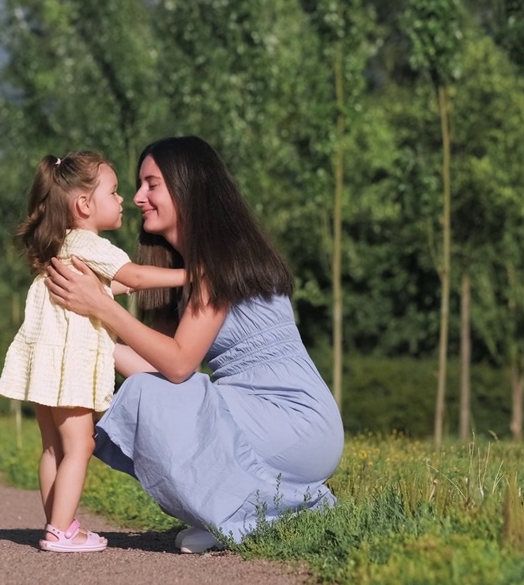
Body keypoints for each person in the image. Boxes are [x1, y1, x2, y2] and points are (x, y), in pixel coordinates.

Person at [45, 136, 345, 554]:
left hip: (297, 423)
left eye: (151, 185)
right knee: (119, 400)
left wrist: (104, 307)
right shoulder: (185, 272)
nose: (136, 198)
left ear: (187, 188)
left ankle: (244, 517)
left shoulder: (225, 257)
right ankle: (240, 517)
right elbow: (166, 376)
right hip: (251, 411)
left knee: (143, 397)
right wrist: (78, 333)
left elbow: (180, 365)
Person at [0, 151, 187, 553]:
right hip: (70, 365)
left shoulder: (64, 246)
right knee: (80, 445)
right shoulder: (91, 243)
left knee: (52, 447)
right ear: (84, 205)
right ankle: (62, 531)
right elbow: (131, 273)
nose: (122, 200)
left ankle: (56, 523)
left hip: (45, 364)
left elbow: (106, 286)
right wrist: (191, 273)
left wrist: (124, 286)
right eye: (114, 192)